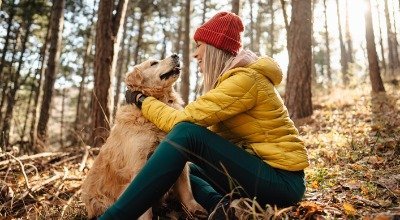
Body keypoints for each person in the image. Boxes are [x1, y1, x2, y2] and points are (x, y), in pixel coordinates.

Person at [99, 11, 309, 219]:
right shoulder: (230, 82)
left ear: (215, 47)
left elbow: (181, 123)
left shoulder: (245, 81)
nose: (195, 54)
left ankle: (114, 217)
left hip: (282, 181)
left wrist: (141, 100)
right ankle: (223, 208)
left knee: (186, 134)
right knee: (184, 167)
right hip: (259, 172)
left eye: (199, 45)